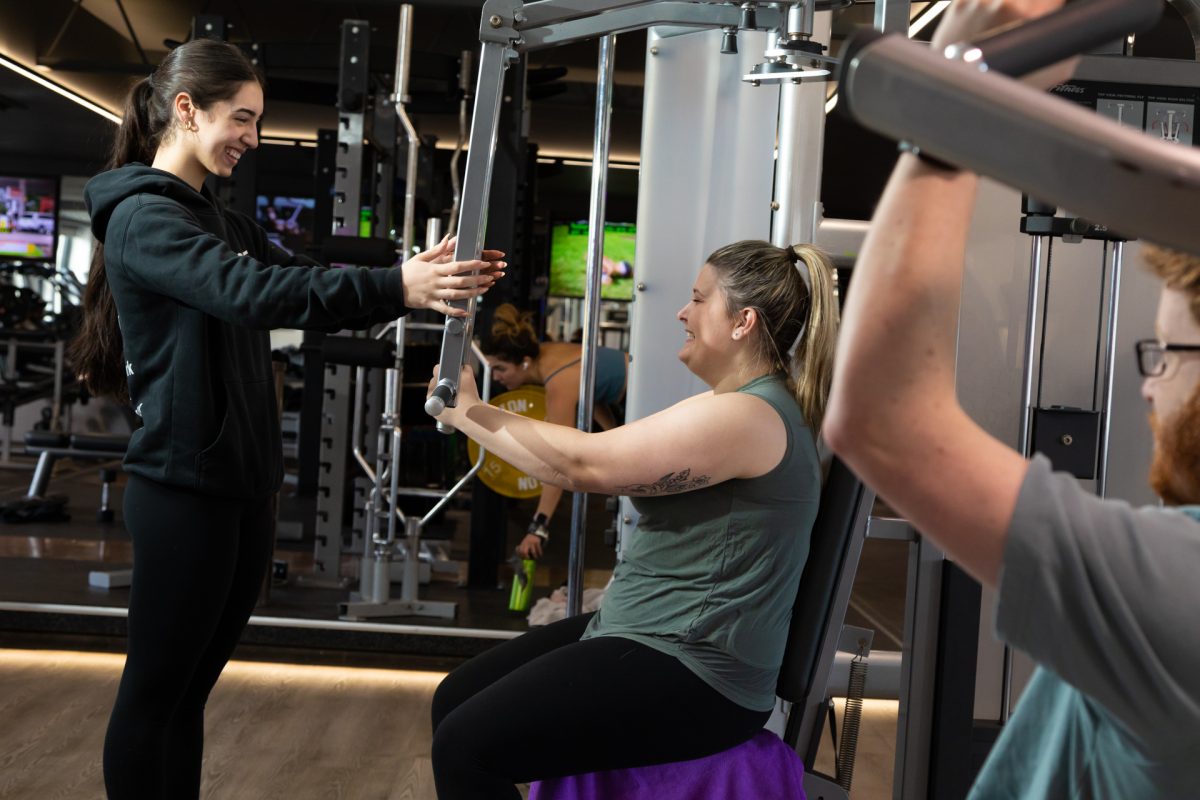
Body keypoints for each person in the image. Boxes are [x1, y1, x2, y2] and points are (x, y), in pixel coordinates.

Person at [69, 39, 505, 800]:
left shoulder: (219, 221)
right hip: (182, 489)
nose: (251, 137)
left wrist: (419, 281)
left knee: (189, 693)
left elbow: (297, 278)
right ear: (185, 109)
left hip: (241, 488)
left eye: (256, 122)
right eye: (241, 118)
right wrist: (395, 284)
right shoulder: (142, 218)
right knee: (153, 697)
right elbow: (249, 295)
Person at [823, 0, 1200, 795]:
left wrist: (950, 109)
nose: (1148, 380)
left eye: (1166, 354)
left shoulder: (1180, 588)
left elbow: (883, 420)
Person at [428, 240, 839, 798]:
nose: (682, 313)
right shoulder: (736, 405)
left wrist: (467, 411)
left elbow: (580, 463)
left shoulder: (751, 417)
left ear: (743, 322)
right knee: (454, 698)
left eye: (699, 300)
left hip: (697, 671)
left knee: (464, 748)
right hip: (642, 631)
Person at [480, 303, 630, 558]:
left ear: (524, 363)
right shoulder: (552, 353)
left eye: (500, 369)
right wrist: (613, 433)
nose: (495, 377)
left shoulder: (558, 382)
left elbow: (560, 461)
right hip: (635, 394)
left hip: (648, 397)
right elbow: (590, 392)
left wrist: (539, 526)